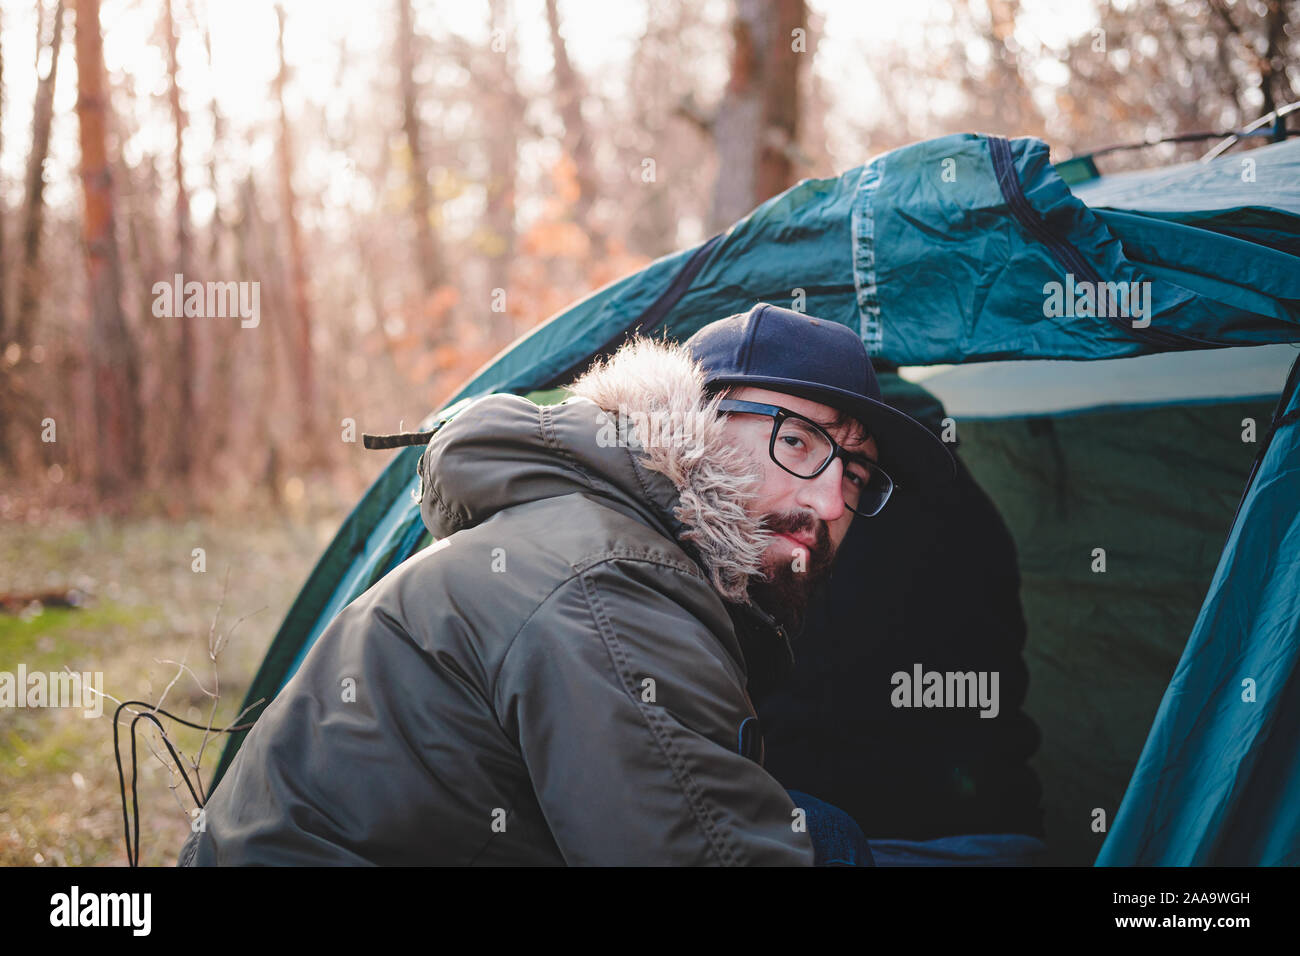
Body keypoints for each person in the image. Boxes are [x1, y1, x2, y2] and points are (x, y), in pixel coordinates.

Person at [178, 302, 953, 866]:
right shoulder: (614, 581)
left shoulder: (611, 543)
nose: (826, 502)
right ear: (702, 424)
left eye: (855, 473)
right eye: (797, 441)